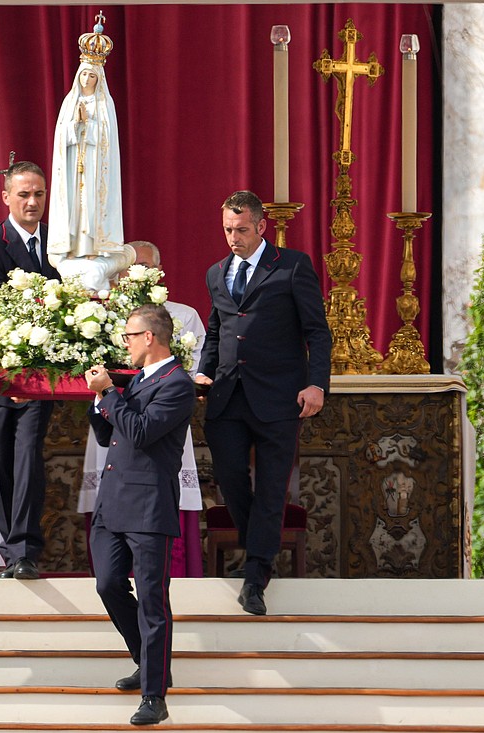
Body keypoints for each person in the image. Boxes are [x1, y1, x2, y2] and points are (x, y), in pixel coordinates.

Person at [196, 190, 332, 615]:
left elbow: (318, 332)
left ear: (261, 227)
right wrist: (204, 369)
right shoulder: (217, 273)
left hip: (279, 397)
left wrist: (316, 385)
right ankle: (260, 548)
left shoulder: (292, 267)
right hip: (227, 395)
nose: (232, 238)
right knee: (230, 477)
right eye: (227, 230)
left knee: (273, 489)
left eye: (240, 230)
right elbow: (217, 332)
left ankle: (256, 576)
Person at [84, 303, 195, 726]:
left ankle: (154, 694)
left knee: (152, 601)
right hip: (113, 501)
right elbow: (112, 432)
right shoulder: (137, 380)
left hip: (148, 504)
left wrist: (109, 393)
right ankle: (149, 662)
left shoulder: (176, 383)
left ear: (150, 337)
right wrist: (102, 399)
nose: (124, 343)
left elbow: (144, 431)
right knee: (108, 584)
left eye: (129, 336)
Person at [79, 241, 206, 577]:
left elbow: (193, 373)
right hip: (115, 421)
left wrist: (109, 390)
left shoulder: (184, 316)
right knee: (110, 578)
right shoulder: (100, 314)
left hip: (160, 422)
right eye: (130, 266)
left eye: (146, 265)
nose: (139, 273)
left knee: (152, 579)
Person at [0, 160, 58, 580]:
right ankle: (11, 544)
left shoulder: (58, 245)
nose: (33, 201)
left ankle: (23, 550)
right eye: (23, 194)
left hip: (40, 374)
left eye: (38, 193)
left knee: (27, 460)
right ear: (6, 198)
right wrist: (10, 372)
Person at [48, 14, 132, 294]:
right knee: (76, 206)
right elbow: (62, 138)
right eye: (84, 74)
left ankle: (94, 247)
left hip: (96, 169)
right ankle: (75, 247)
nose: (87, 79)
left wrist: (91, 126)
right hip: (74, 167)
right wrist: (76, 126)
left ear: (99, 78)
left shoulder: (104, 104)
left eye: (92, 75)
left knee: (91, 208)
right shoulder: (69, 102)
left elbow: (108, 141)